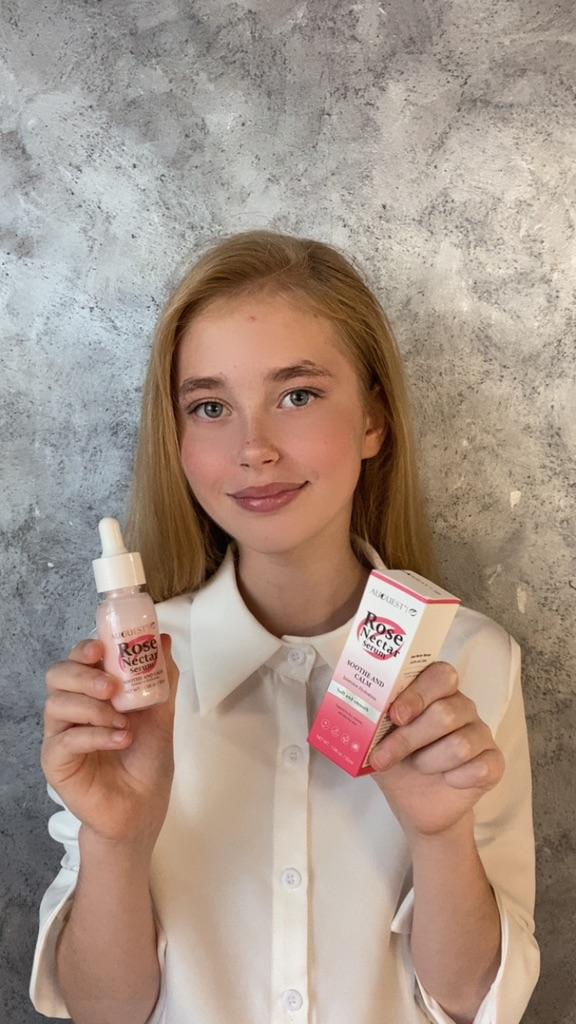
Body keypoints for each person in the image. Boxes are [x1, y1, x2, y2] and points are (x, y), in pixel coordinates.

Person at [29, 229, 540, 1024]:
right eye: (210, 407)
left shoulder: (469, 661)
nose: (254, 449)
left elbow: (477, 1005)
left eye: (297, 395)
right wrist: (118, 840)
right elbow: (104, 1011)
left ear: (373, 421)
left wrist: (440, 839)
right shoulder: (127, 680)